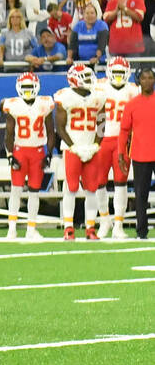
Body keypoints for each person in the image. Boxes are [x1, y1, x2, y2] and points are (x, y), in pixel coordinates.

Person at [52, 63, 107, 240]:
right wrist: (73, 147)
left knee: (92, 188)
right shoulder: (64, 97)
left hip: (91, 147)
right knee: (71, 187)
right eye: (85, 77)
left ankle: (90, 227)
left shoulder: (98, 97)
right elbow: (60, 128)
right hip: (72, 148)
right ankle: (68, 226)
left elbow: (101, 124)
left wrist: (96, 145)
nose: (90, 80)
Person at [1, 72, 56, 240]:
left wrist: (49, 155)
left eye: (29, 87)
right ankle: (12, 228)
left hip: (38, 151)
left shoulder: (45, 104)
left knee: (34, 192)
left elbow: (50, 132)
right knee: (15, 190)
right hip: (20, 150)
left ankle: (31, 228)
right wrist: (10, 154)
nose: (27, 90)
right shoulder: (13, 105)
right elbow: (8, 134)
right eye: (24, 87)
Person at [96, 57, 139, 238]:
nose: (119, 77)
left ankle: (118, 224)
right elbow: (96, 115)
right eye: (116, 73)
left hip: (123, 141)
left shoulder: (133, 90)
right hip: (103, 139)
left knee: (121, 183)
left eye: (122, 73)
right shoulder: (100, 87)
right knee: (99, 183)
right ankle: (105, 220)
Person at [118, 67, 155, 239]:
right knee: (141, 195)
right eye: (144, 78)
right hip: (140, 155)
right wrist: (121, 153)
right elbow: (124, 131)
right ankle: (142, 232)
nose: (148, 81)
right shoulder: (132, 105)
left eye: (151, 77)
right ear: (138, 81)